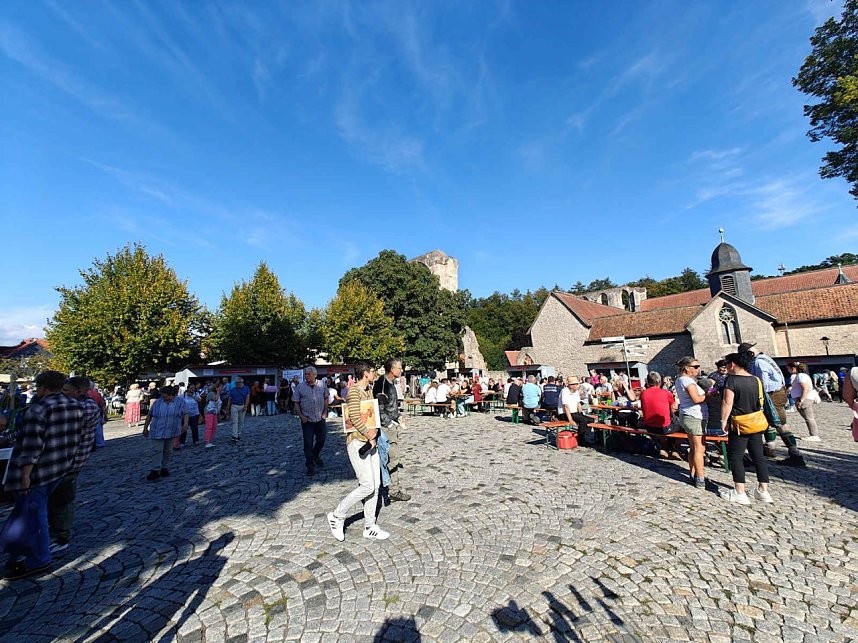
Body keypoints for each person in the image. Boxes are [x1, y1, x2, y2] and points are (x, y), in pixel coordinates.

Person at [1, 370, 84, 579]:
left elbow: (32, 446)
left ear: (43, 388)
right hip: (59, 467)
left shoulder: (38, 409)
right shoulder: (75, 406)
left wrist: (25, 475)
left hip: (37, 471)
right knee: (27, 512)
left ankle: (39, 561)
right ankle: (15, 554)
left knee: (34, 514)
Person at [327, 363, 389, 542]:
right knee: (367, 485)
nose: (375, 374)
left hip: (371, 442)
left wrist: (374, 434)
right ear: (365, 373)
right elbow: (353, 415)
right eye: (372, 371)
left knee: (376, 485)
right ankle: (337, 515)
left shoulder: (368, 391)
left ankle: (370, 526)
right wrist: (368, 432)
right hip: (358, 441)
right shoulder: (353, 391)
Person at [47, 376, 100, 554]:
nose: (62, 393)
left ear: (78, 391)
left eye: (66, 390)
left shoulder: (87, 406)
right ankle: (54, 530)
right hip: (61, 459)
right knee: (55, 499)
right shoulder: (74, 404)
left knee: (63, 499)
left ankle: (61, 536)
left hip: (72, 460)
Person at [719, 351, 773, 505]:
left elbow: (727, 402)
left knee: (736, 457)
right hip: (756, 421)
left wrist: (723, 420)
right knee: (758, 457)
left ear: (733, 364)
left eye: (727, 364)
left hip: (739, 423)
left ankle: (739, 491)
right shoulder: (756, 380)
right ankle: (763, 490)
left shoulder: (731, 381)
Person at [374, 358, 410, 502]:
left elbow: (391, 406)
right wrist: (389, 424)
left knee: (391, 458)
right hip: (386, 428)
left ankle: (390, 488)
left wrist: (399, 417)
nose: (401, 370)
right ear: (392, 369)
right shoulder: (382, 385)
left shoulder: (391, 383)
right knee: (392, 458)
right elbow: (379, 409)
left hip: (392, 424)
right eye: (399, 368)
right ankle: (392, 489)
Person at [674, 356, 709, 488]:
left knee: (694, 448)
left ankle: (693, 473)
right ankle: (700, 478)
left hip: (689, 415)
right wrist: (709, 395)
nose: (698, 369)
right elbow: (696, 399)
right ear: (687, 368)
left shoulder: (681, 380)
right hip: (694, 416)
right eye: (695, 367)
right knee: (699, 448)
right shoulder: (687, 381)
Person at [142, 386, 188, 481]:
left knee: (168, 450)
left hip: (172, 430)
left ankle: (164, 467)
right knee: (157, 450)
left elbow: (185, 413)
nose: (164, 397)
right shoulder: (158, 402)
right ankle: (155, 470)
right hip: (158, 429)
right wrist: (145, 428)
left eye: (166, 396)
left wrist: (185, 424)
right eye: (163, 395)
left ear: (173, 395)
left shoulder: (180, 402)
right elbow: (150, 415)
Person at [293, 366, 329, 476]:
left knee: (321, 439)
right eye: (305, 374)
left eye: (308, 374)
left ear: (315, 375)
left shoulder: (322, 385)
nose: (306, 376)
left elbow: (326, 398)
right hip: (307, 419)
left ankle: (315, 454)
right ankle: (310, 465)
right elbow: (296, 401)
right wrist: (301, 415)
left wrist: (325, 412)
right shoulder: (300, 387)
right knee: (308, 443)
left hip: (320, 418)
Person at [638, 371, 681, 460]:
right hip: (663, 428)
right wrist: (676, 400)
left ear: (648, 382)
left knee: (661, 421)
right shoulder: (665, 393)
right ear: (659, 382)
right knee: (682, 425)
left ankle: (663, 447)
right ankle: (676, 449)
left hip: (649, 426)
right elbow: (674, 408)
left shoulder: (643, 393)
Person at [787, 362, 821, 442]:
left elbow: (805, 388)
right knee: (808, 417)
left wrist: (801, 400)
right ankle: (813, 434)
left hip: (804, 399)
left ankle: (814, 435)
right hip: (803, 398)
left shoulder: (801, 376)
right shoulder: (802, 376)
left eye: (788, 368)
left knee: (809, 418)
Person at [177, 383, 202, 447]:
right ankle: (182, 442)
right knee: (184, 428)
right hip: (185, 415)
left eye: (194, 388)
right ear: (188, 389)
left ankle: (195, 440)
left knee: (194, 428)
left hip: (195, 413)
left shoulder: (196, 394)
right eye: (191, 388)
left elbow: (199, 400)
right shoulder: (183, 395)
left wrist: (192, 396)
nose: (193, 389)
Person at [228, 377, 251, 444]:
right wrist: (228, 407)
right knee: (235, 421)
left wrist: (246, 406)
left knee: (241, 421)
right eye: (236, 383)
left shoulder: (246, 388)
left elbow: (247, 397)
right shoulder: (233, 390)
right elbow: (230, 398)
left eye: (237, 383)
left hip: (242, 406)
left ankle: (238, 433)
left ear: (241, 382)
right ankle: (234, 435)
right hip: (234, 406)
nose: (236, 384)